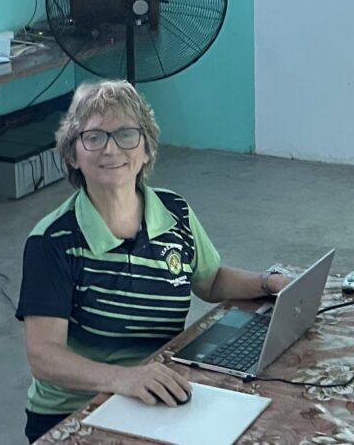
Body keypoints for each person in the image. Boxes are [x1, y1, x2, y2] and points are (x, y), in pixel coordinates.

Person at [15, 80, 291, 443]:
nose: (111, 149)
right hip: (76, 409)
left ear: (146, 149)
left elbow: (210, 280)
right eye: (94, 137)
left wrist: (267, 283)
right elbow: (44, 356)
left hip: (156, 391)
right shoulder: (52, 242)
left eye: (126, 135)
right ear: (72, 154)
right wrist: (123, 377)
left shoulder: (174, 212)